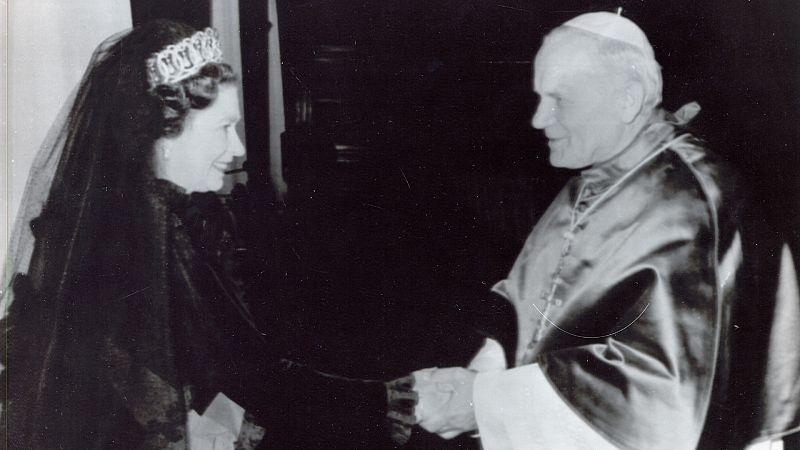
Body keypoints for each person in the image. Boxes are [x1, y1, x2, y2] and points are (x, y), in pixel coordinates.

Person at [0, 20, 415, 449]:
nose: (237, 149)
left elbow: (216, 376)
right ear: (162, 135)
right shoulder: (143, 241)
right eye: (222, 128)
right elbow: (250, 376)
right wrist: (388, 399)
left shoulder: (160, 220)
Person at [412, 11, 800, 450]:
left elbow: (661, 405)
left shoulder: (693, 204)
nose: (539, 119)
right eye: (539, 97)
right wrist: (481, 375)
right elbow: (531, 302)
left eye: (560, 100)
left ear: (627, 100)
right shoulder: (593, 178)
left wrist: (483, 402)